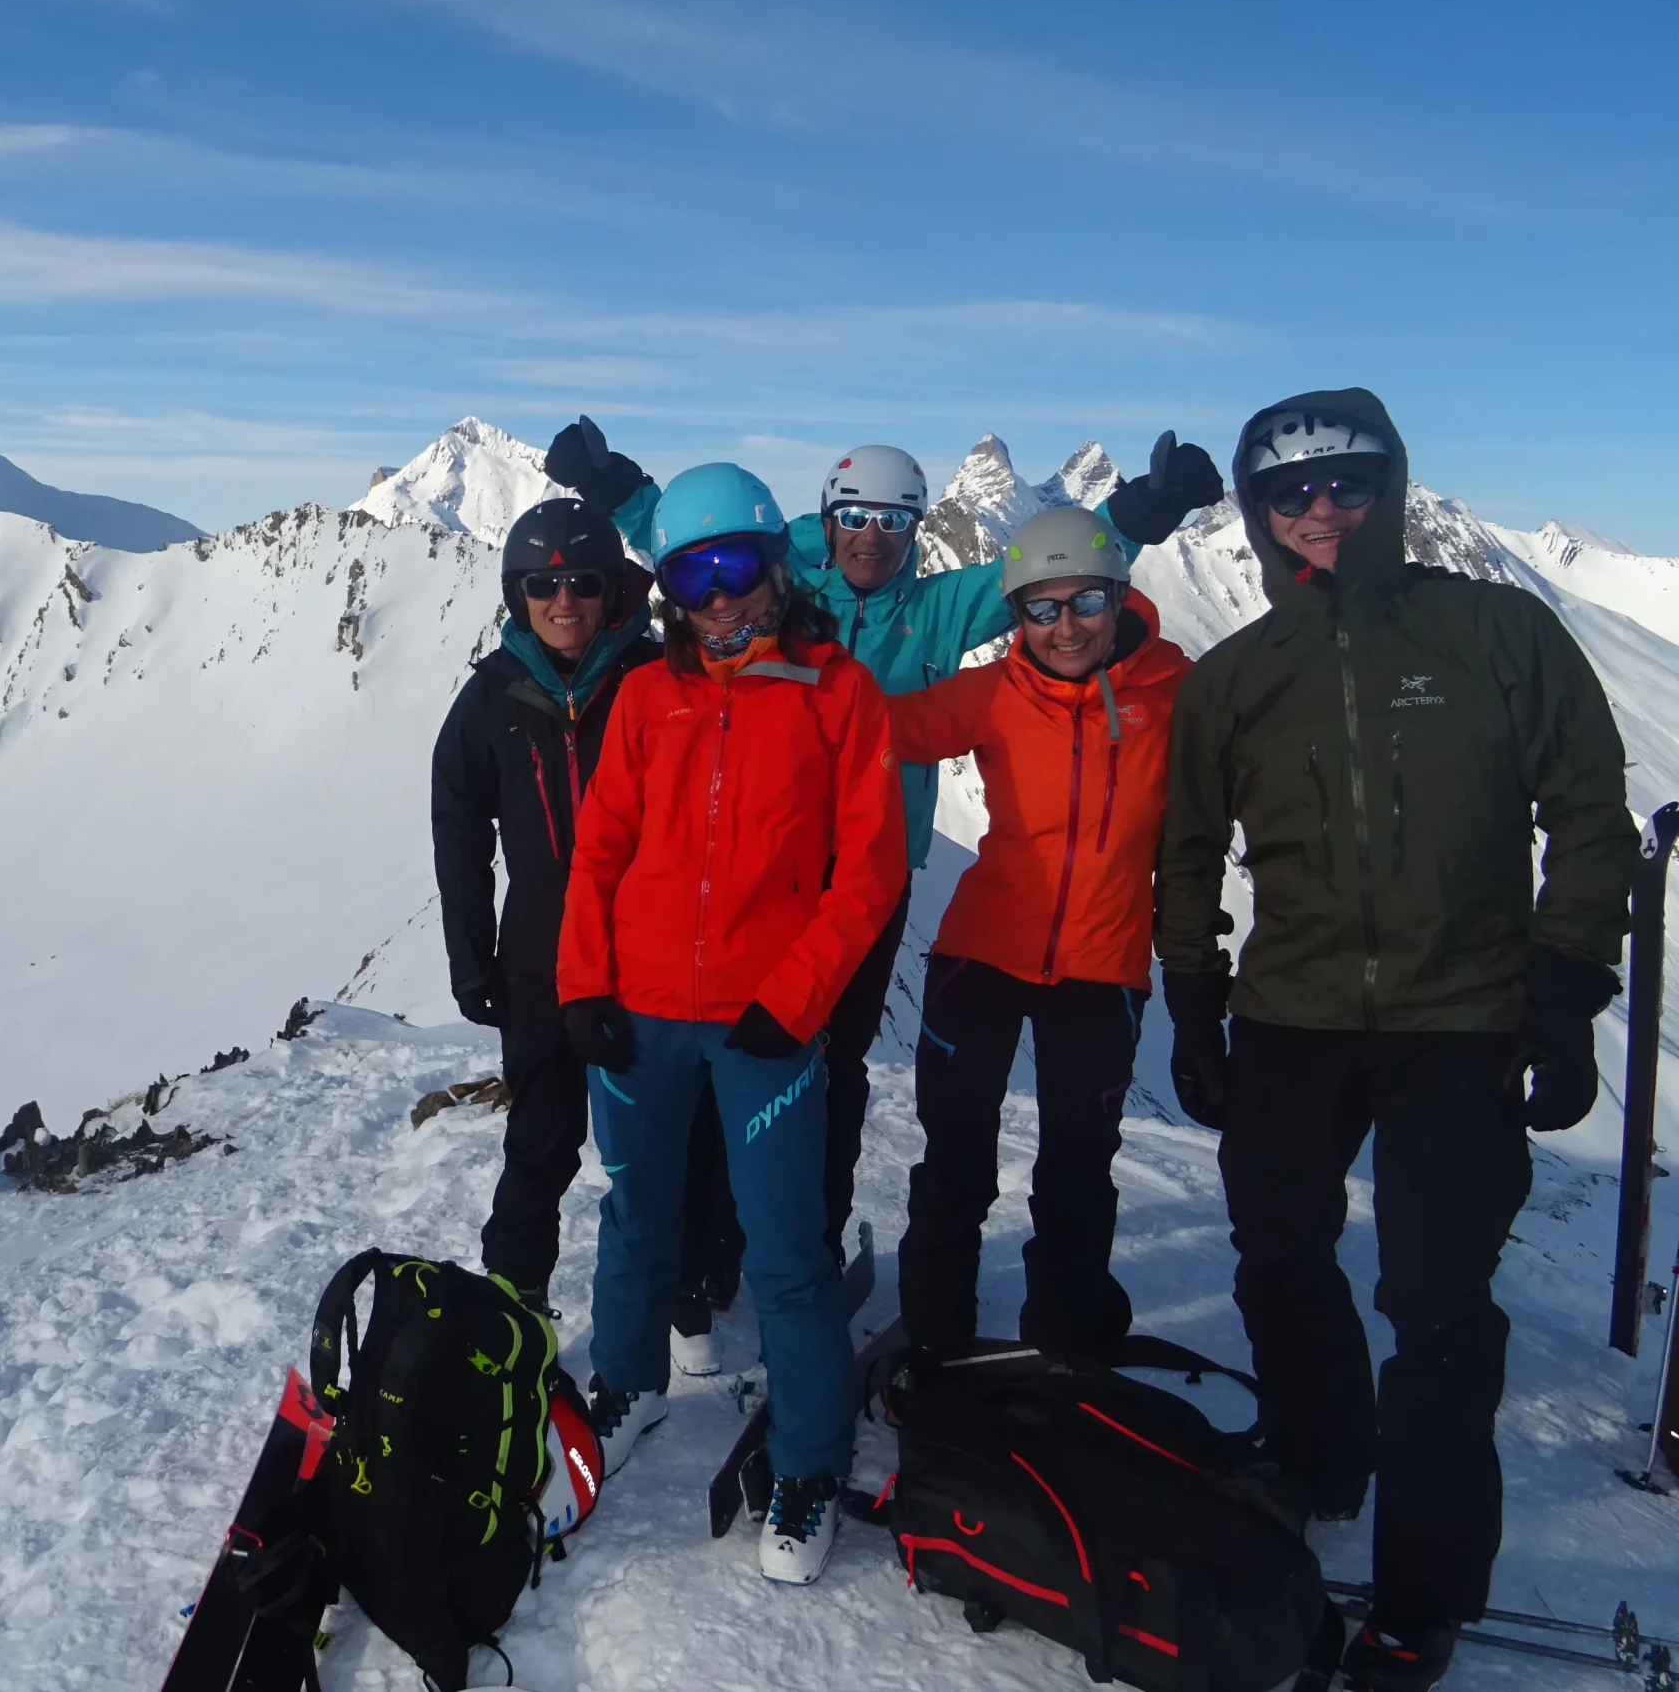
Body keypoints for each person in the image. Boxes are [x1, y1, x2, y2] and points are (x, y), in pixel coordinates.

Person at [1155, 392, 1634, 1691]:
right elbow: (1187, 852)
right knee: (1279, 1250)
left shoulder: (1493, 630)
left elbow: (1590, 807)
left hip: (1460, 1015)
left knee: (1436, 1307)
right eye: (1292, 494)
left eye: (1346, 486)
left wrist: (1565, 984)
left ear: (1388, 487)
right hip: (1293, 1013)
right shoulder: (1240, 676)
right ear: (1258, 513)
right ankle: (1321, 1452)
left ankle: (1423, 1593)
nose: (1320, 512)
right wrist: (1195, 1001)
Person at [548, 427, 1221, 1268]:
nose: (873, 536)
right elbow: (689, 539)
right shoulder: (777, 571)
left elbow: (1053, 581)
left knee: (831, 1067)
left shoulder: (938, 608)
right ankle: (713, 1246)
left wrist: (1144, 509)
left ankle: (808, 1241)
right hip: (758, 874)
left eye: (896, 520)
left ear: (916, 526)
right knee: (732, 1057)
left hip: (869, 878)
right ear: (827, 521)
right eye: (857, 516)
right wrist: (612, 480)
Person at [557, 462, 907, 1585]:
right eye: (689, 575)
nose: (715, 597)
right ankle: (628, 1384)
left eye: (732, 568)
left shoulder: (834, 692)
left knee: (787, 1253)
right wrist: (582, 984)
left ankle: (807, 1464)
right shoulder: (648, 696)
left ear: (773, 565)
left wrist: (795, 997)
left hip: (765, 1020)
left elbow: (869, 868)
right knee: (635, 1215)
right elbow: (600, 842)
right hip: (643, 1008)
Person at [881, 503, 1193, 1362]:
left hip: (1102, 965)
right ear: (1015, 612)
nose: (1065, 628)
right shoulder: (994, 692)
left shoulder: (1176, 693)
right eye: (1041, 608)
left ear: (1120, 594)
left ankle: (1066, 1336)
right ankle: (934, 1341)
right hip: (978, 953)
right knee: (955, 1164)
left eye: (1086, 602)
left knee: (1077, 1172)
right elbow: (879, 731)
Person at [430, 495, 740, 1346]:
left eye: (582, 581)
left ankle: (691, 1277)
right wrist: (472, 958)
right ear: (515, 592)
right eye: (542, 583)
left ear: (613, 590)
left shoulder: (659, 676)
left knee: (674, 1130)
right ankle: (512, 1295)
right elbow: (458, 834)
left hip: (652, 954)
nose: (562, 600)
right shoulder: (491, 698)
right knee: (541, 1135)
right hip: (539, 959)